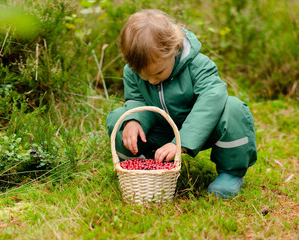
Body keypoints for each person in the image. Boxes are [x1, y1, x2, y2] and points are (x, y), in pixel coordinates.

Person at [107, 9, 257, 199]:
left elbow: (211, 102)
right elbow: (137, 100)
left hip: (199, 130)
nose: (151, 81)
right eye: (143, 76)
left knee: (233, 108)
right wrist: (134, 120)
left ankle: (231, 173)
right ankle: (139, 169)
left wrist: (181, 142)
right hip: (160, 131)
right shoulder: (131, 72)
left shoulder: (199, 65)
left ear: (175, 48)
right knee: (120, 118)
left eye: (158, 73)